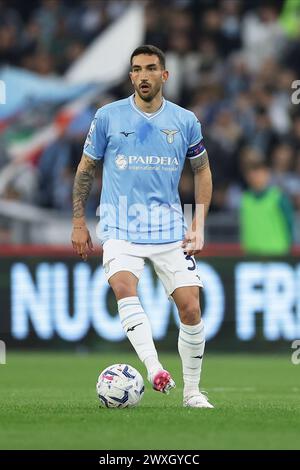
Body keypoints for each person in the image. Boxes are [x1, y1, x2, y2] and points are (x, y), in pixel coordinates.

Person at [71, 45, 213, 408]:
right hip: (120, 225)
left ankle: (192, 392)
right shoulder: (107, 117)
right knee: (122, 285)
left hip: (168, 229)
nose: (143, 75)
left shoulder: (184, 121)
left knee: (191, 310)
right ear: (130, 76)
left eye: (151, 68)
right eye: (136, 69)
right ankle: (154, 369)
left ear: (164, 75)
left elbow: (202, 171)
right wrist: (78, 221)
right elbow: (86, 169)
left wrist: (197, 222)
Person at [240, 161, 294, 255]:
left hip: (278, 256)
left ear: (267, 174)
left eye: (259, 173)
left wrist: (289, 249)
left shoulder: (279, 197)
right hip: (251, 256)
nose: (256, 177)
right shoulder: (244, 200)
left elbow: (289, 224)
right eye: (253, 174)